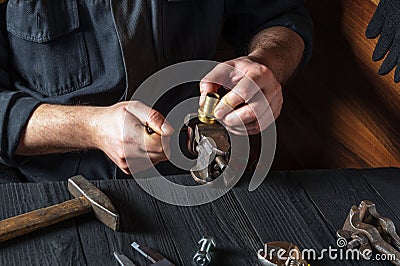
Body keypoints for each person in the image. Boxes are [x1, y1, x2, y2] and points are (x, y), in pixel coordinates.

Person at [0, 0, 313, 182]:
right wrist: (91, 128)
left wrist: (266, 63)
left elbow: (281, 18)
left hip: (196, 175)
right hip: (46, 185)